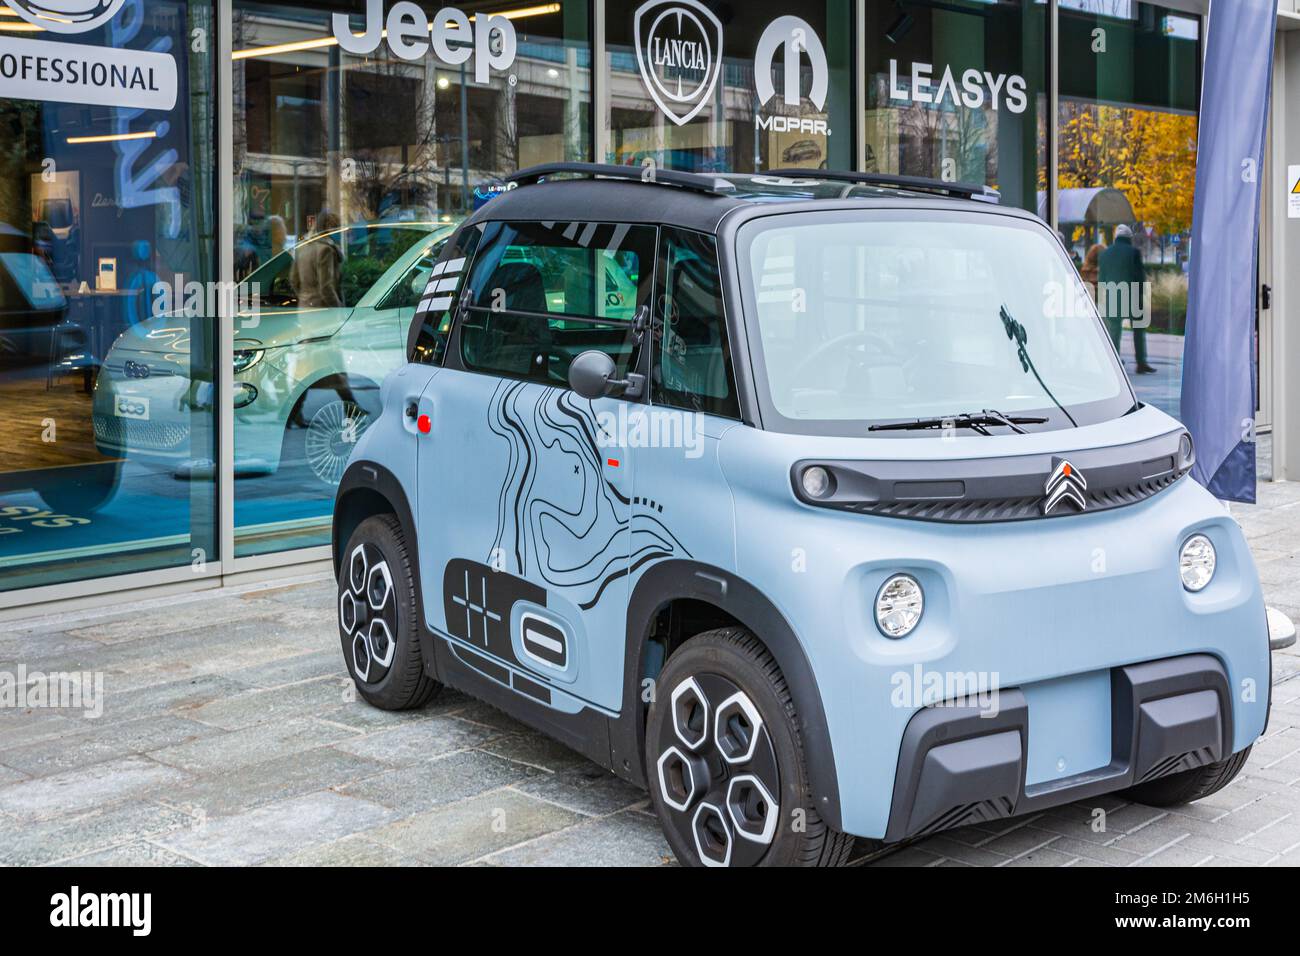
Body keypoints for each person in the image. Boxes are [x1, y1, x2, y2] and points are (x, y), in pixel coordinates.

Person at [1098, 223, 1156, 374]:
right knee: (1138, 329)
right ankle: (1141, 363)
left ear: (1116, 237)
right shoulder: (1134, 252)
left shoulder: (1105, 254)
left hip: (1113, 295)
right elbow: (1139, 276)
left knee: (1115, 330)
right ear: (1129, 238)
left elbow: (1102, 279)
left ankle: (1114, 363)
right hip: (1132, 295)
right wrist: (1142, 295)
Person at [289, 210, 343, 308]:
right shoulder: (326, 249)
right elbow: (326, 287)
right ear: (328, 227)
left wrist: (304, 298)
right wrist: (338, 308)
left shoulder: (301, 247)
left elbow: (293, 279)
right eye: (336, 228)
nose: (338, 231)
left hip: (304, 307)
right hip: (322, 309)